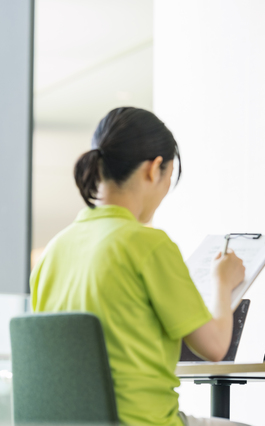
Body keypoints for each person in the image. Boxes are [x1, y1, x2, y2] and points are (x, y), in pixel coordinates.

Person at [30, 107, 251, 426]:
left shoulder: (53, 251)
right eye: (169, 178)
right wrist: (222, 281)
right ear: (154, 169)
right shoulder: (147, 245)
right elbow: (215, 348)